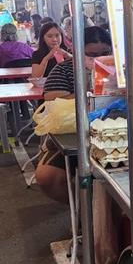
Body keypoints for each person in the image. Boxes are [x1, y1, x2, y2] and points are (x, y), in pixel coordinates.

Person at [35, 27, 112, 203]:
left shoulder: (122, 71)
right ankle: (84, 211)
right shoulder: (63, 70)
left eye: (105, 53)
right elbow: (51, 98)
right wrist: (89, 91)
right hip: (71, 135)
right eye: (91, 55)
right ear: (77, 51)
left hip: (114, 132)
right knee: (47, 176)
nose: (99, 59)